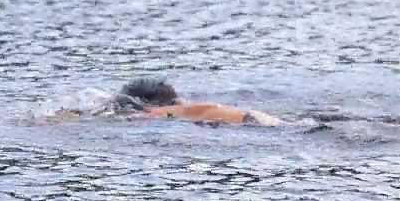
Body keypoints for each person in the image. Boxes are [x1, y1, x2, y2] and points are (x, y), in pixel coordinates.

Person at [108, 78, 283, 126]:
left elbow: (146, 114)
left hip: (254, 122)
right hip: (255, 120)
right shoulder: (189, 110)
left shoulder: (178, 111)